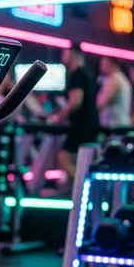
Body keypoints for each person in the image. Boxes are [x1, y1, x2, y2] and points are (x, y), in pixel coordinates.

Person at [52, 43, 99, 182]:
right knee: (79, 160)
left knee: (63, 157)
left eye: (65, 53)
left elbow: (75, 102)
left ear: (73, 54)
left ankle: (82, 185)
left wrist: (59, 117)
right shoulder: (87, 74)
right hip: (90, 123)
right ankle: (80, 187)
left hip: (81, 125)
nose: (63, 57)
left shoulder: (77, 75)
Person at [97, 55, 132, 131]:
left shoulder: (113, 80)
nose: (101, 66)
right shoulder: (122, 78)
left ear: (110, 63)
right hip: (121, 126)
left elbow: (100, 103)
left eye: (103, 63)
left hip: (114, 129)